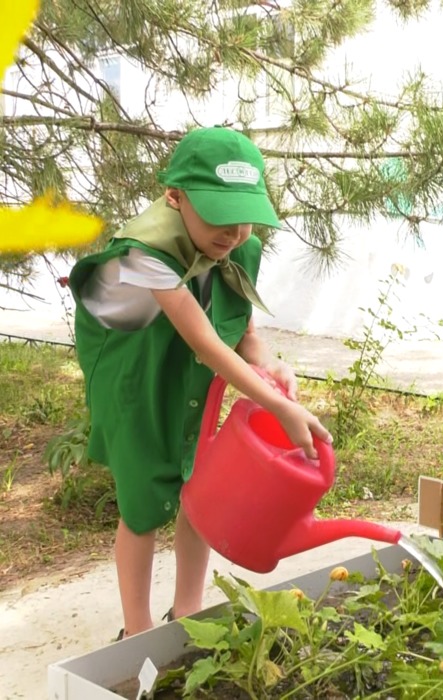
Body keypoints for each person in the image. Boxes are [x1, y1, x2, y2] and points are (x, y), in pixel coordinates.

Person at [67, 126, 332, 640]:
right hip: (137, 374)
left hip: (190, 373)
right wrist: (280, 410)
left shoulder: (235, 244)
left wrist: (268, 363)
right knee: (142, 503)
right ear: (175, 196)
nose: (232, 236)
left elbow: (238, 333)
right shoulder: (147, 251)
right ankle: (137, 631)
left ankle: (187, 612)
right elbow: (204, 341)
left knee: (200, 488)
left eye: (243, 221)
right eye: (218, 218)